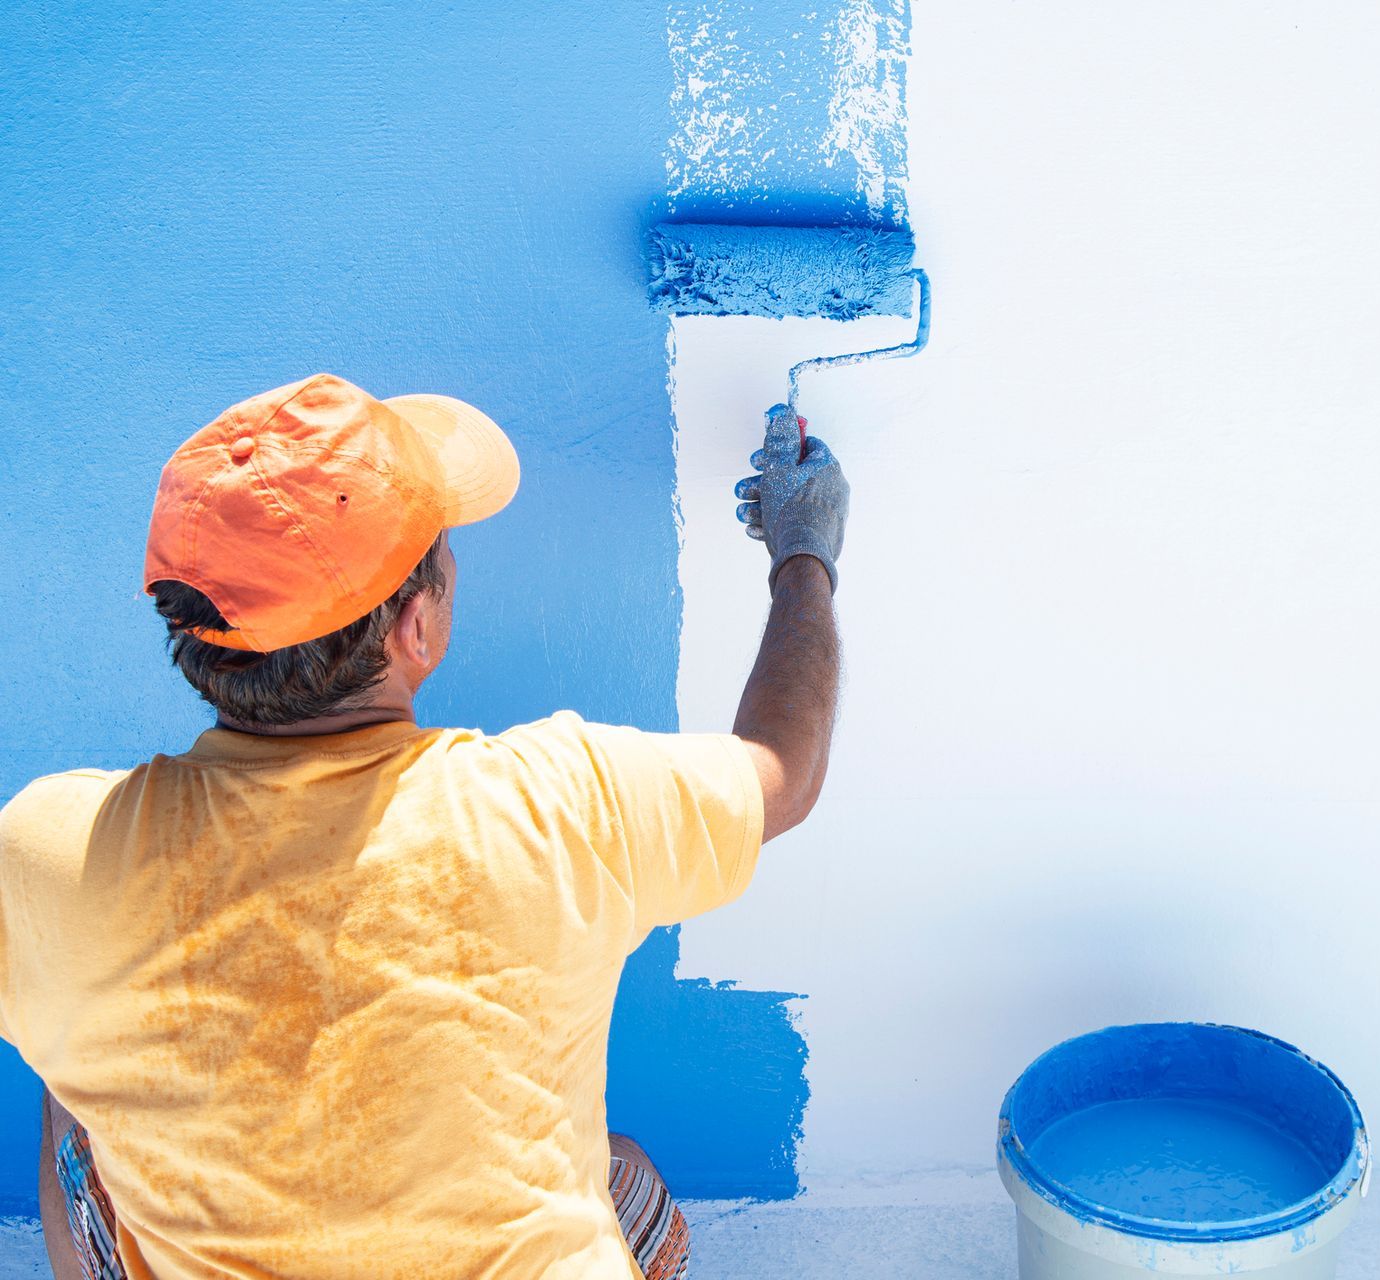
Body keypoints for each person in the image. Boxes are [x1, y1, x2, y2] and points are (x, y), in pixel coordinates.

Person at [0, 373, 849, 1279]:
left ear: (193, 630)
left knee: (67, 1058)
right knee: (624, 1171)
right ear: (416, 629)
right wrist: (805, 552)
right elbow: (781, 773)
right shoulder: (560, 807)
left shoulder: (51, 853)